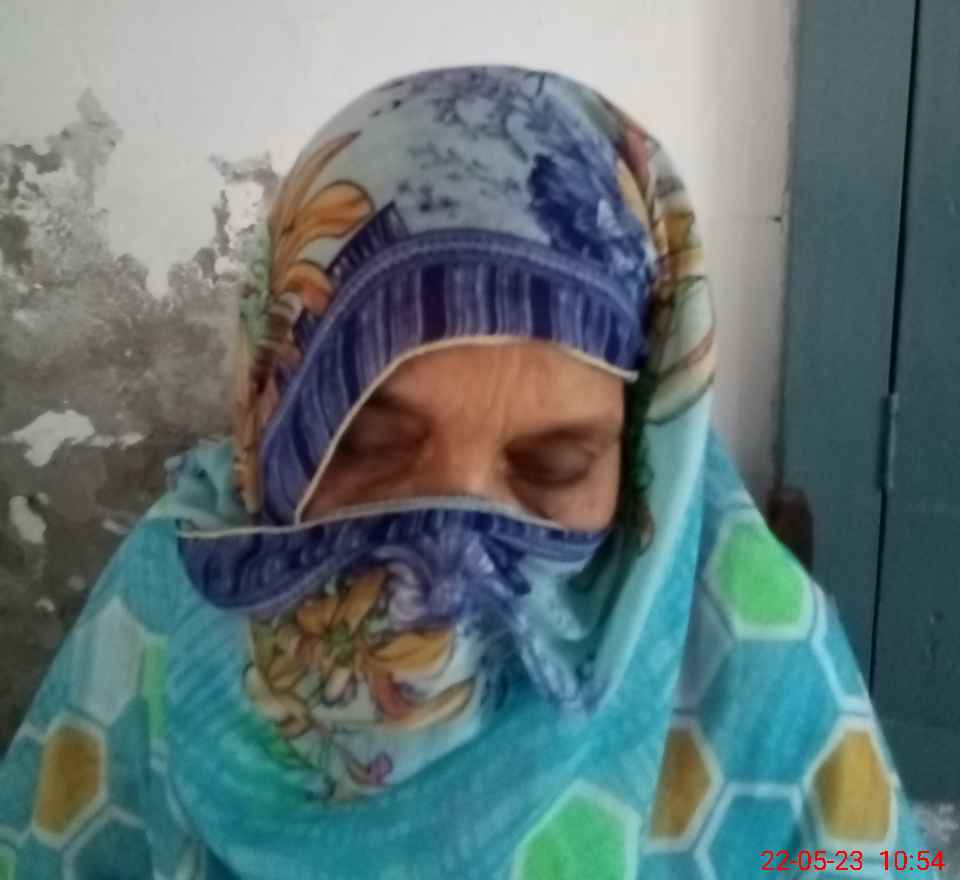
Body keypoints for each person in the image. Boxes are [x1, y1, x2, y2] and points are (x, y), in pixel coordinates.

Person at [0, 66, 927, 878]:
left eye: (554, 465)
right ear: (267, 410)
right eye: (367, 445)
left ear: (648, 453)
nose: (450, 552)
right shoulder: (169, 601)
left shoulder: (755, 647)